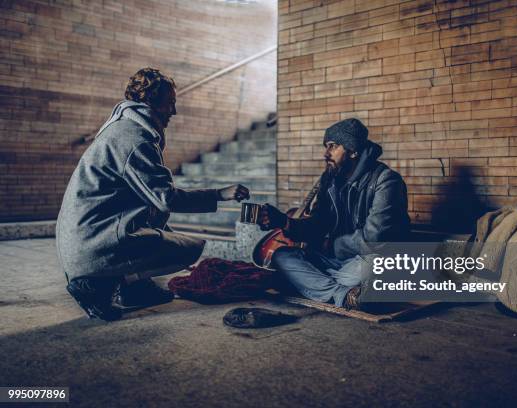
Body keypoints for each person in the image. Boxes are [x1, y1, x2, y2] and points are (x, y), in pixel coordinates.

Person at [56, 68, 250, 321]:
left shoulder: (120, 128)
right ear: (151, 102)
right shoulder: (136, 139)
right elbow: (166, 198)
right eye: (170, 103)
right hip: (90, 247)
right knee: (188, 249)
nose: (174, 111)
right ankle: (99, 285)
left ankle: (134, 289)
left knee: (156, 218)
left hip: (81, 239)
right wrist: (219, 194)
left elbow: (151, 203)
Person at [257, 118, 410, 310]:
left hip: (372, 259)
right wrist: (284, 222)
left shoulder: (386, 181)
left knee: (372, 270)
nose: (325, 154)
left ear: (353, 151)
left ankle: (313, 284)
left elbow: (376, 239)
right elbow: (318, 226)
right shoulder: (330, 181)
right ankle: (345, 294)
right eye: (325, 147)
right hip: (338, 262)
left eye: (333, 146)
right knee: (282, 256)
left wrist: (333, 246)